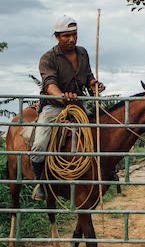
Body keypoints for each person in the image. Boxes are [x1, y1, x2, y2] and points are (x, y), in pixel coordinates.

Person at [30, 15, 105, 201]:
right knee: (39, 145)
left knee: (102, 132)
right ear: (57, 36)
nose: (72, 39)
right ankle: (41, 183)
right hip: (54, 107)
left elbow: (88, 77)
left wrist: (94, 84)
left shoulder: (83, 53)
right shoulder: (48, 58)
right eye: (66, 36)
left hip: (78, 106)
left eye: (74, 35)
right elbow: (49, 84)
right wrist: (61, 96)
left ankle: (107, 172)